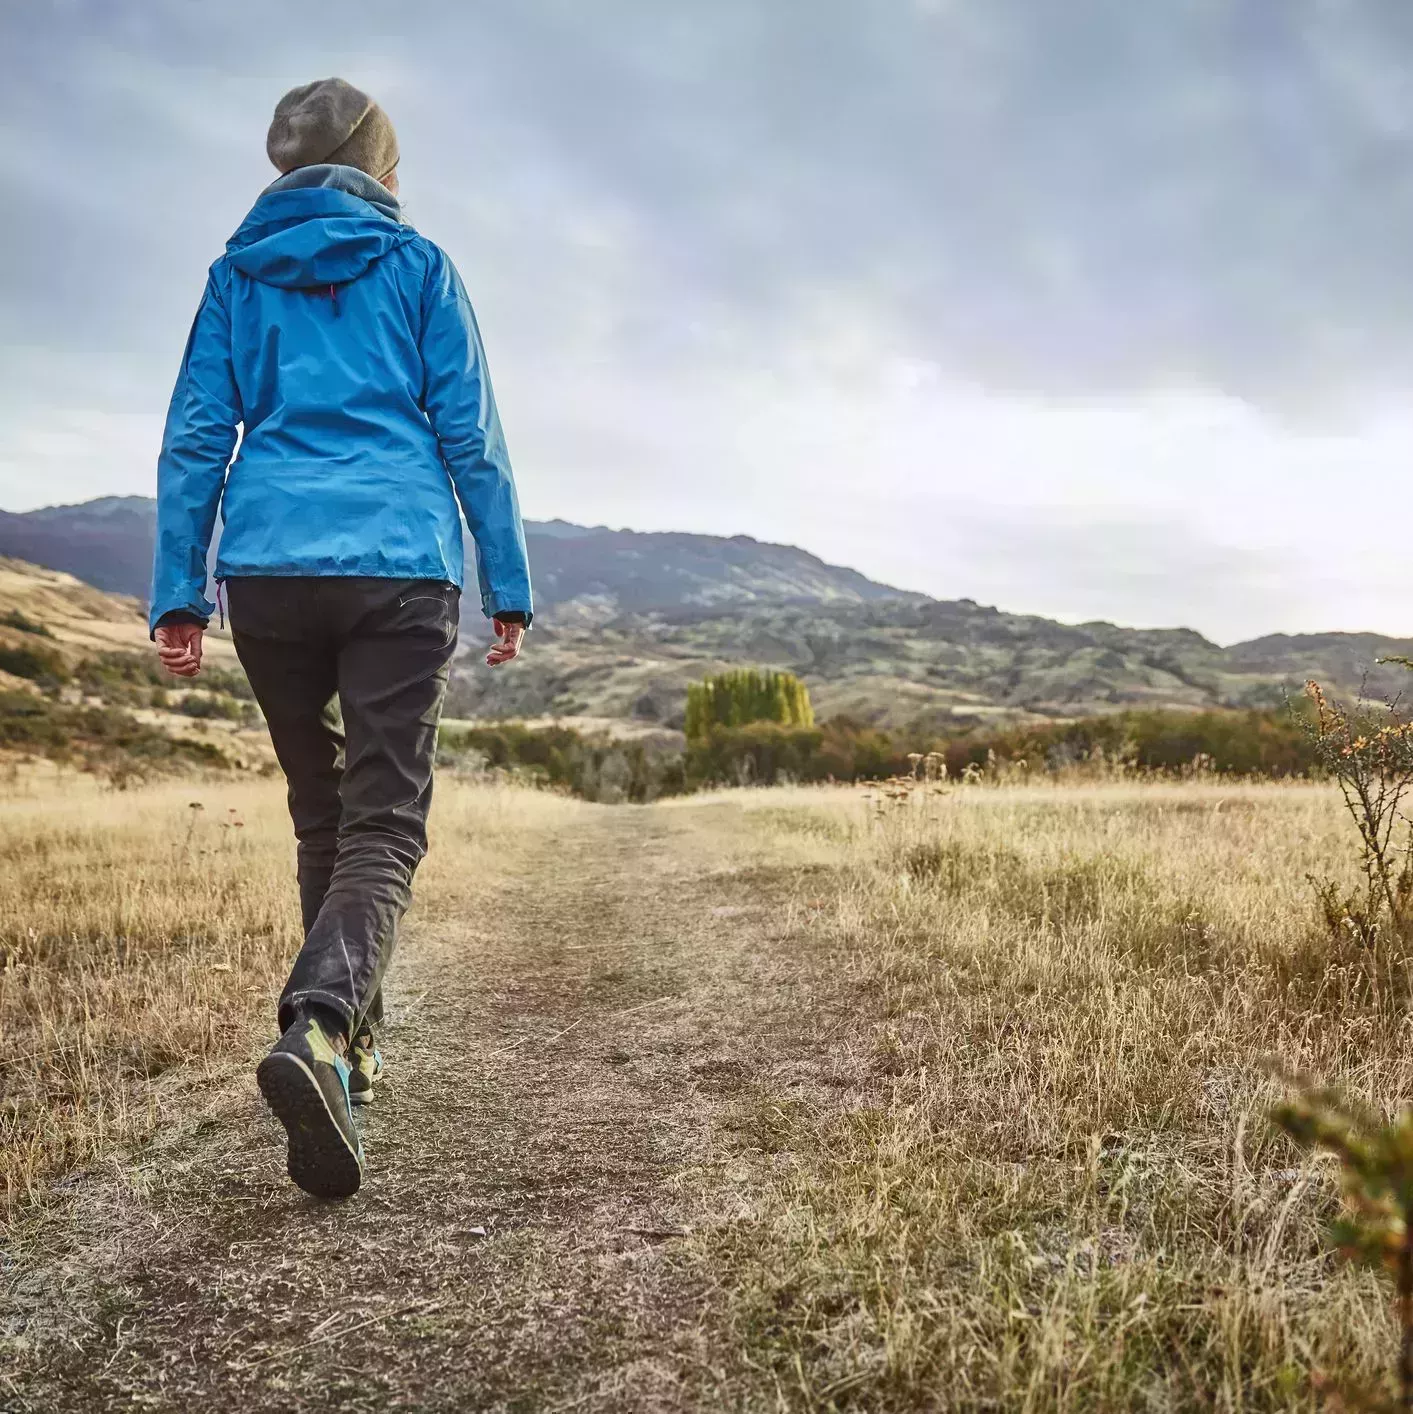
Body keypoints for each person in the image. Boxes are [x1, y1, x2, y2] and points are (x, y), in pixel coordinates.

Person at [149, 78, 532, 1199]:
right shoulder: (417, 268)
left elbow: (194, 437)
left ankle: (352, 1055)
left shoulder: (234, 278)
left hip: (267, 571)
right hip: (395, 566)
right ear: (380, 165)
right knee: (384, 822)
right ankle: (320, 1025)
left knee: (324, 813)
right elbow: (471, 432)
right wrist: (505, 575)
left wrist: (179, 588)